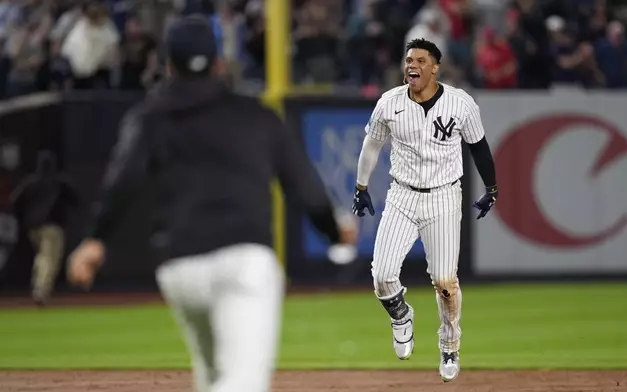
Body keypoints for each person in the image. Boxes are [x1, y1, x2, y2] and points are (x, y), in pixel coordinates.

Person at [66, 15, 355, 392]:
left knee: (214, 377)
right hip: (245, 264)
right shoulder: (256, 117)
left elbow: (123, 181)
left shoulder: (150, 117)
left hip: (180, 270)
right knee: (242, 384)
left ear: (168, 65)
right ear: (219, 62)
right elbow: (306, 187)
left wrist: (95, 239)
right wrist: (334, 231)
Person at [351, 38, 498, 383]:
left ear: (435, 68)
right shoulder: (390, 103)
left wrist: (492, 188)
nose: (411, 66)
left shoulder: (461, 104)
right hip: (402, 196)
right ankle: (401, 315)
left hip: (444, 197)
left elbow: (479, 149)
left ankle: (450, 344)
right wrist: (360, 187)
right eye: (408, 60)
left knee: (445, 281)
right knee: (382, 276)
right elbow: (371, 146)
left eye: (419, 60)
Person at [10, 150, 80, 306]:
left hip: (33, 228)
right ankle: (41, 290)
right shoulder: (58, 182)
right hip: (52, 227)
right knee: (49, 258)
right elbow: (75, 200)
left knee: (42, 256)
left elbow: (14, 201)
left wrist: (25, 216)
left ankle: (38, 286)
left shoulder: (30, 182)